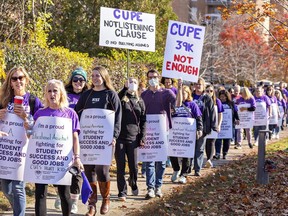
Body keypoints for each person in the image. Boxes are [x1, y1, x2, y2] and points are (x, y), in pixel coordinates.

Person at [32, 79, 83, 216]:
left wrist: (77, 158)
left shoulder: (70, 114)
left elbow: (75, 138)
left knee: (64, 194)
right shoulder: (39, 114)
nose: (52, 94)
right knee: (40, 194)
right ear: (46, 94)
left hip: (62, 161)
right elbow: (33, 137)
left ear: (61, 93)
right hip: (42, 160)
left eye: (55, 90)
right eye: (49, 91)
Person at [75, 66, 122, 215]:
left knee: (102, 170)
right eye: (93, 75)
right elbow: (77, 113)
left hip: (105, 140)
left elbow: (118, 117)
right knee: (88, 170)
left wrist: (114, 136)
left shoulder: (111, 94)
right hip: (88, 139)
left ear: (104, 77)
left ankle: (106, 199)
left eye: (98, 75)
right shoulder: (87, 95)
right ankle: (92, 204)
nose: (95, 78)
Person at [0, 66, 43, 216]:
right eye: (14, 78)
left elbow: (41, 128)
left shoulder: (33, 101)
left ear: (26, 80)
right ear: (10, 82)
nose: (18, 81)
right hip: (5, 151)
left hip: (23, 151)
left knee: (18, 187)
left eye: (21, 78)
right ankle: (19, 208)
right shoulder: (3, 100)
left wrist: (26, 117)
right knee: (6, 187)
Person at [53, 67, 89, 213]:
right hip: (63, 137)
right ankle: (60, 194)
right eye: (75, 79)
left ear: (85, 82)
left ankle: (73, 200)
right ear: (71, 81)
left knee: (77, 169)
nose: (78, 82)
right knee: (62, 167)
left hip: (82, 137)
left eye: (81, 80)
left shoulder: (88, 95)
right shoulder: (64, 95)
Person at [141, 69, 176, 199]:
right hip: (149, 132)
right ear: (147, 78)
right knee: (149, 160)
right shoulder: (144, 95)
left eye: (155, 76)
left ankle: (158, 186)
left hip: (163, 131)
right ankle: (150, 188)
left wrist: (182, 86)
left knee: (161, 162)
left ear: (158, 77)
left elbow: (177, 103)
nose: (153, 79)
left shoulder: (167, 92)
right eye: (150, 77)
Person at [116, 77, 146, 201]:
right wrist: (125, 88)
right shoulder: (122, 98)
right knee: (120, 166)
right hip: (120, 138)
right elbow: (116, 100)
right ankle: (122, 192)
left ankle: (133, 182)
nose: (132, 84)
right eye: (130, 82)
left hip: (133, 138)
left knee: (133, 166)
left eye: (134, 82)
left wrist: (142, 136)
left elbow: (143, 120)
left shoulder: (140, 101)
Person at [170, 80, 202, 184]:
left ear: (188, 94)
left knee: (186, 154)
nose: (182, 95)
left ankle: (184, 174)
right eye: (180, 93)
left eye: (184, 93)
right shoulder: (174, 104)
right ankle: (176, 169)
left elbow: (198, 117)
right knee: (172, 152)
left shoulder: (192, 104)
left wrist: (199, 129)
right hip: (175, 133)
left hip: (188, 134)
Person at [191, 77, 216, 176]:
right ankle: (190, 166)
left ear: (203, 86)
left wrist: (213, 126)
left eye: (200, 84)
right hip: (190, 125)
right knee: (191, 147)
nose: (198, 86)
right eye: (196, 84)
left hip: (203, 126)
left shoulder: (207, 98)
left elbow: (212, 112)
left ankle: (197, 168)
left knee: (200, 148)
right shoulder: (191, 96)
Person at [214, 90, 239, 159]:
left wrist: (237, 119)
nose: (222, 98)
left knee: (227, 140)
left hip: (229, 125)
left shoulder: (231, 103)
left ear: (226, 96)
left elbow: (236, 112)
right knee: (218, 139)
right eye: (221, 96)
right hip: (219, 124)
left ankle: (225, 153)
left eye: (223, 96)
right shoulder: (216, 103)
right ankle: (217, 153)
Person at [204, 84, 223, 168]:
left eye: (211, 91)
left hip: (214, 125)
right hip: (205, 125)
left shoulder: (217, 101)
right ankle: (208, 157)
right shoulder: (203, 100)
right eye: (207, 91)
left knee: (211, 142)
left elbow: (220, 114)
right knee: (206, 143)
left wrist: (219, 125)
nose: (209, 93)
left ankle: (209, 159)